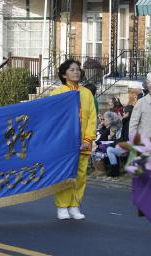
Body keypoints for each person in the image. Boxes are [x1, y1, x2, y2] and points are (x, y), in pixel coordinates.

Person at [50, 59, 97, 220]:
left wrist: (88, 139)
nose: (76, 72)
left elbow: (92, 118)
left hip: (84, 142)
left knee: (81, 175)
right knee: (65, 175)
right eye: (72, 70)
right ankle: (62, 206)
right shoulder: (57, 93)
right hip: (64, 143)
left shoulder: (87, 93)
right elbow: (53, 119)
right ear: (64, 74)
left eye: (78, 69)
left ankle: (74, 205)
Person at [106, 105, 133, 177]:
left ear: (128, 113)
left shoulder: (128, 123)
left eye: (124, 112)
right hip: (125, 145)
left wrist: (115, 142)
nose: (122, 113)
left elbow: (126, 138)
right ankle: (114, 171)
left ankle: (114, 171)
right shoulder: (126, 122)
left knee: (109, 149)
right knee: (110, 147)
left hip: (128, 147)